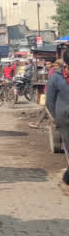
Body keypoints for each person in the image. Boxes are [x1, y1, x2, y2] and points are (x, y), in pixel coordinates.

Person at [46, 50, 69, 184]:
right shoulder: (56, 77)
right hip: (64, 119)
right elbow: (50, 101)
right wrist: (56, 118)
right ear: (65, 64)